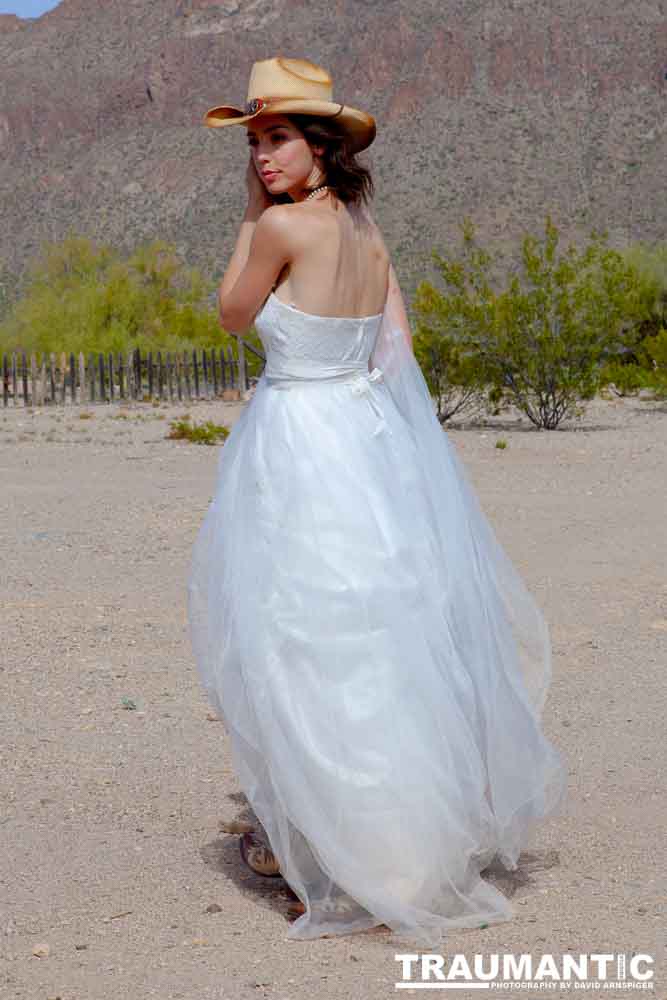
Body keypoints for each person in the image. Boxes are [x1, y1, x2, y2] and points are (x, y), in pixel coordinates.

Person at [188, 56, 567, 945]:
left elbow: (231, 315)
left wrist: (251, 216)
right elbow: (391, 357)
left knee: (301, 641)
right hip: (365, 447)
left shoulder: (281, 228)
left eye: (277, 138)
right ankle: (401, 842)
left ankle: (326, 853)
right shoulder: (366, 232)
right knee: (383, 640)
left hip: (299, 445)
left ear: (321, 146)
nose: (262, 158)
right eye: (253, 143)